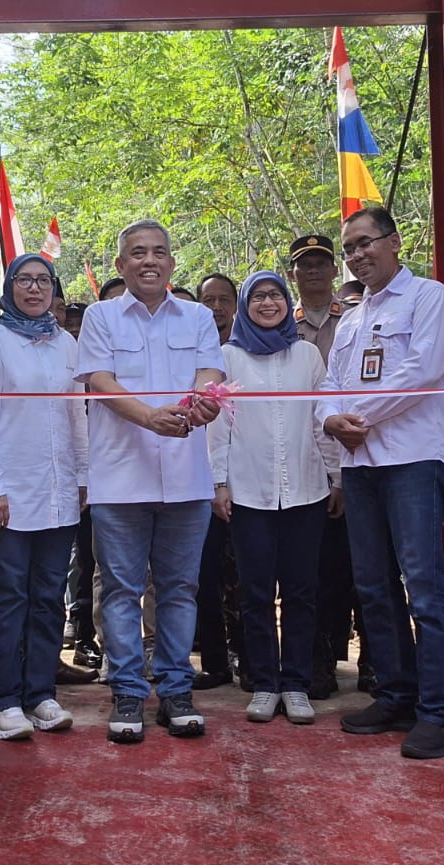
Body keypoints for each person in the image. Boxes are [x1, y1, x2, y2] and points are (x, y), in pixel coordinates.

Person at [320, 205, 444, 759]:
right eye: (349, 248)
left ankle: (436, 712)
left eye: (364, 243)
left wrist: (360, 418)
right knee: (374, 588)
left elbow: (424, 371)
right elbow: (330, 382)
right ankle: (396, 694)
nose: (356, 255)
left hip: (412, 461)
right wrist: (331, 419)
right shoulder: (351, 318)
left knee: (423, 587)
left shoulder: (430, 298)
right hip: (360, 466)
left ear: (395, 241)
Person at [76, 219, 223, 744]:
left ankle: (177, 689)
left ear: (171, 263)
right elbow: (99, 381)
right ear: (121, 265)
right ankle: (128, 692)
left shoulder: (200, 316)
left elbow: (211, 374)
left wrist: (203, 401)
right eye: (137, 253)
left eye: (159, 251)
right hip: (120, 480)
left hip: (187, 480)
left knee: (181, 589)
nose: (149, 261)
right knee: (121, 590)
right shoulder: (100, 316)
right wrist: (149, 417)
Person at [208, 271, 340, 725]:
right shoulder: (227, 357)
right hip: (248, 492)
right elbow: (218, 428)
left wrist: (336, 476)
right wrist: (219, 483)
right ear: (246, 305)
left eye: (275, 295)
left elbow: (324, 419)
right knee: (256, 592)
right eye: (258, 296)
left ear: (288, 302)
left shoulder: (307, 356)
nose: (268, 303)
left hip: (306, 489)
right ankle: (265, 683)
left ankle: (297, 683)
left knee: (303, 591)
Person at [0, 253, 89, 740]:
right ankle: (2, 702)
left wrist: (84, 477)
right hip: (9, 496)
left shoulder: (68, 346)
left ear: (54, 290)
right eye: (24, 280)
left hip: (59, 492)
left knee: (47, 599)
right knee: (6, 598)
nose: (34, 289)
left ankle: (41, 694)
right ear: (9, 287)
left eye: (43, 281)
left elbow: (79, 415)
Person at [287, 232, 364, 699]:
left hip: (354, 452)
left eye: (321, 262)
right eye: (303, 264)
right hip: (298, 460)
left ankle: (372, 662)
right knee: (311, 570)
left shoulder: (356, 320)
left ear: (336, 270)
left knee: (363, 568)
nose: (313, 271)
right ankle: (317, 663)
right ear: (293, 272)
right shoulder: (279, 325)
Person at [194, 270, 245, 691]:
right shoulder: (191, 352)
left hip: (249, 479)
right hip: (199, 477)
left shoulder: (249, 351)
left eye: (224, 299)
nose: (216, 308)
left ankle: (247, 657)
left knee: (244, 575)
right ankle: (213, 661)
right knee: (205, 574)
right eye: (207, 299)